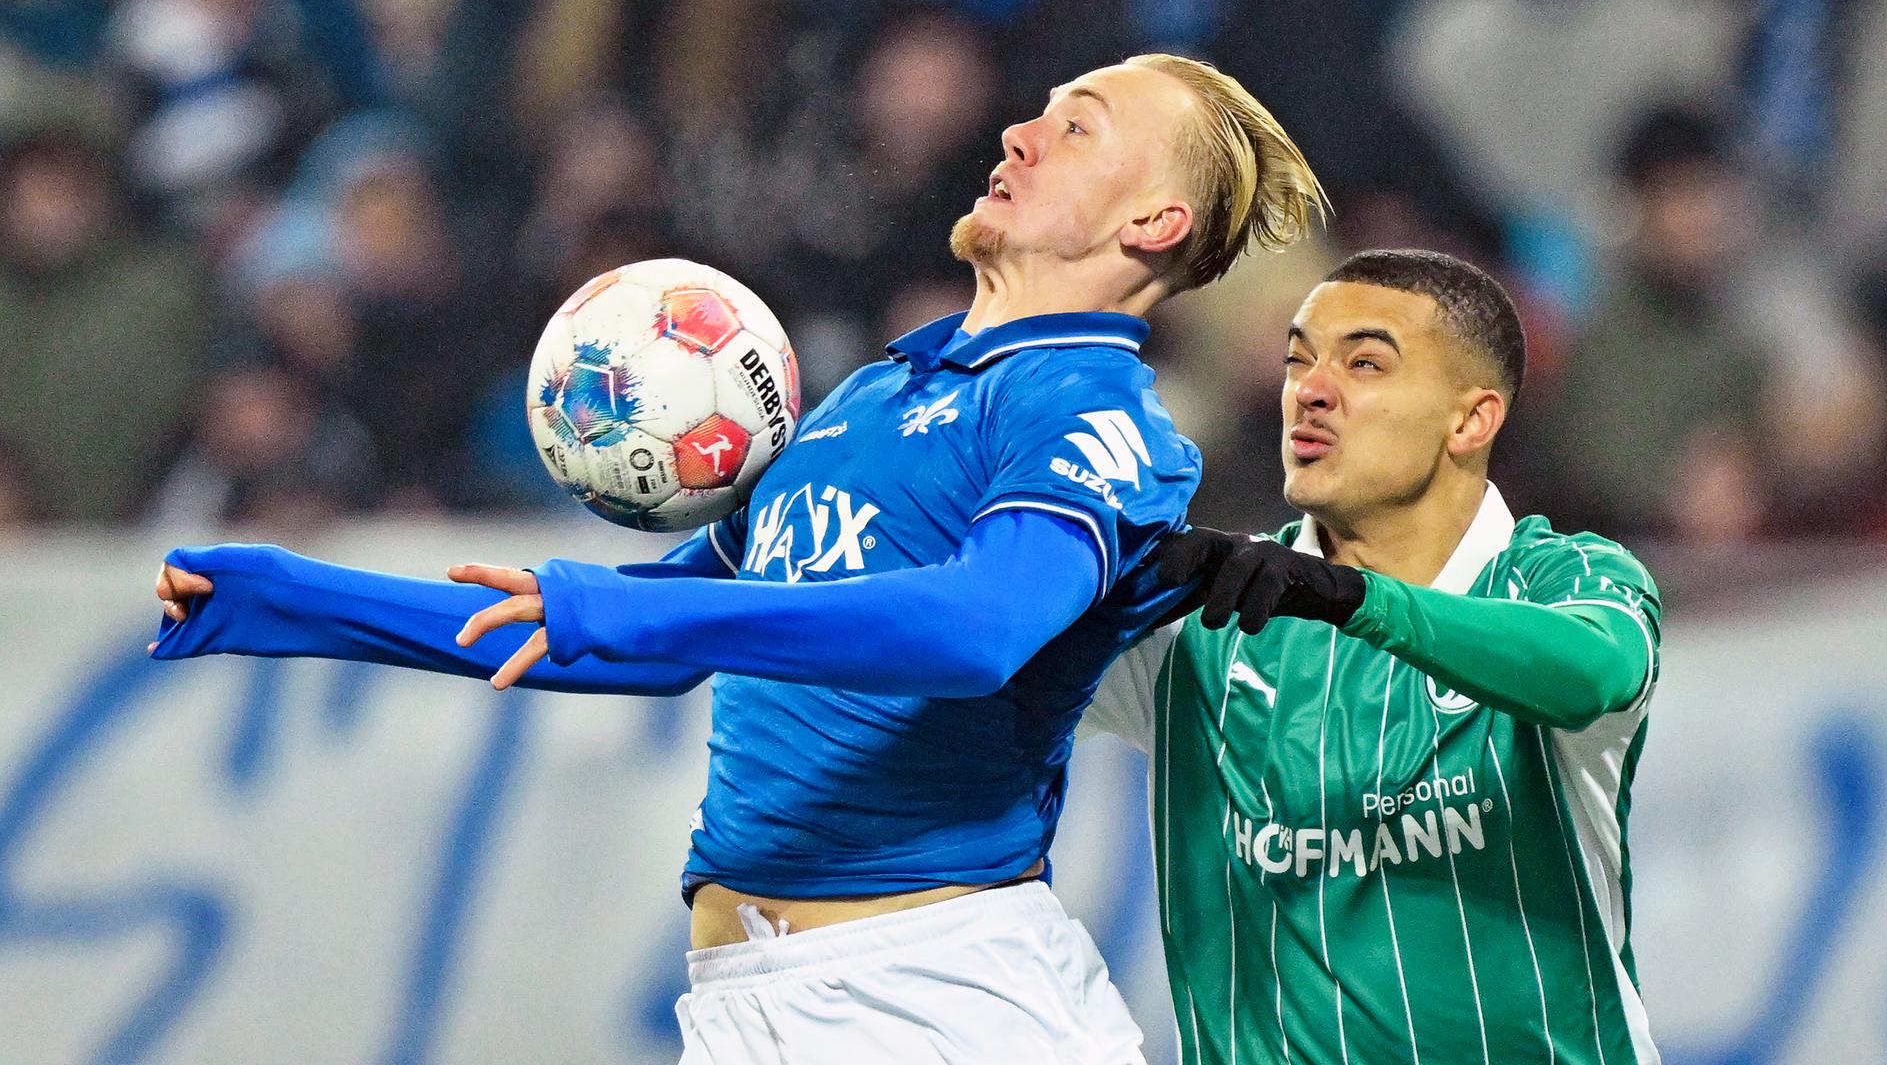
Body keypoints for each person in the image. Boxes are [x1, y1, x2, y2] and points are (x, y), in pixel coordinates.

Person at [149, 54, 1325, 1061]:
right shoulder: (873, 395)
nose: (1021, 130)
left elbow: (977, 632)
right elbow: (626, 631)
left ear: (1153, 223)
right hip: (746, 1001)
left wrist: (649, 621)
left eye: (1077, 129)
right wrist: (281, 596)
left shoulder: (1091, 409)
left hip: (944, 997)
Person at [1091, 249, 1664, 1064]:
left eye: (1364, 363)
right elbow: (960, 684)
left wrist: (1357, 601)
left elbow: (1596, 673)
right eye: (1298, 361)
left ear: (1471, 420)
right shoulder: (1204, 619)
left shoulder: (1562, 577)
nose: (1311, 391)